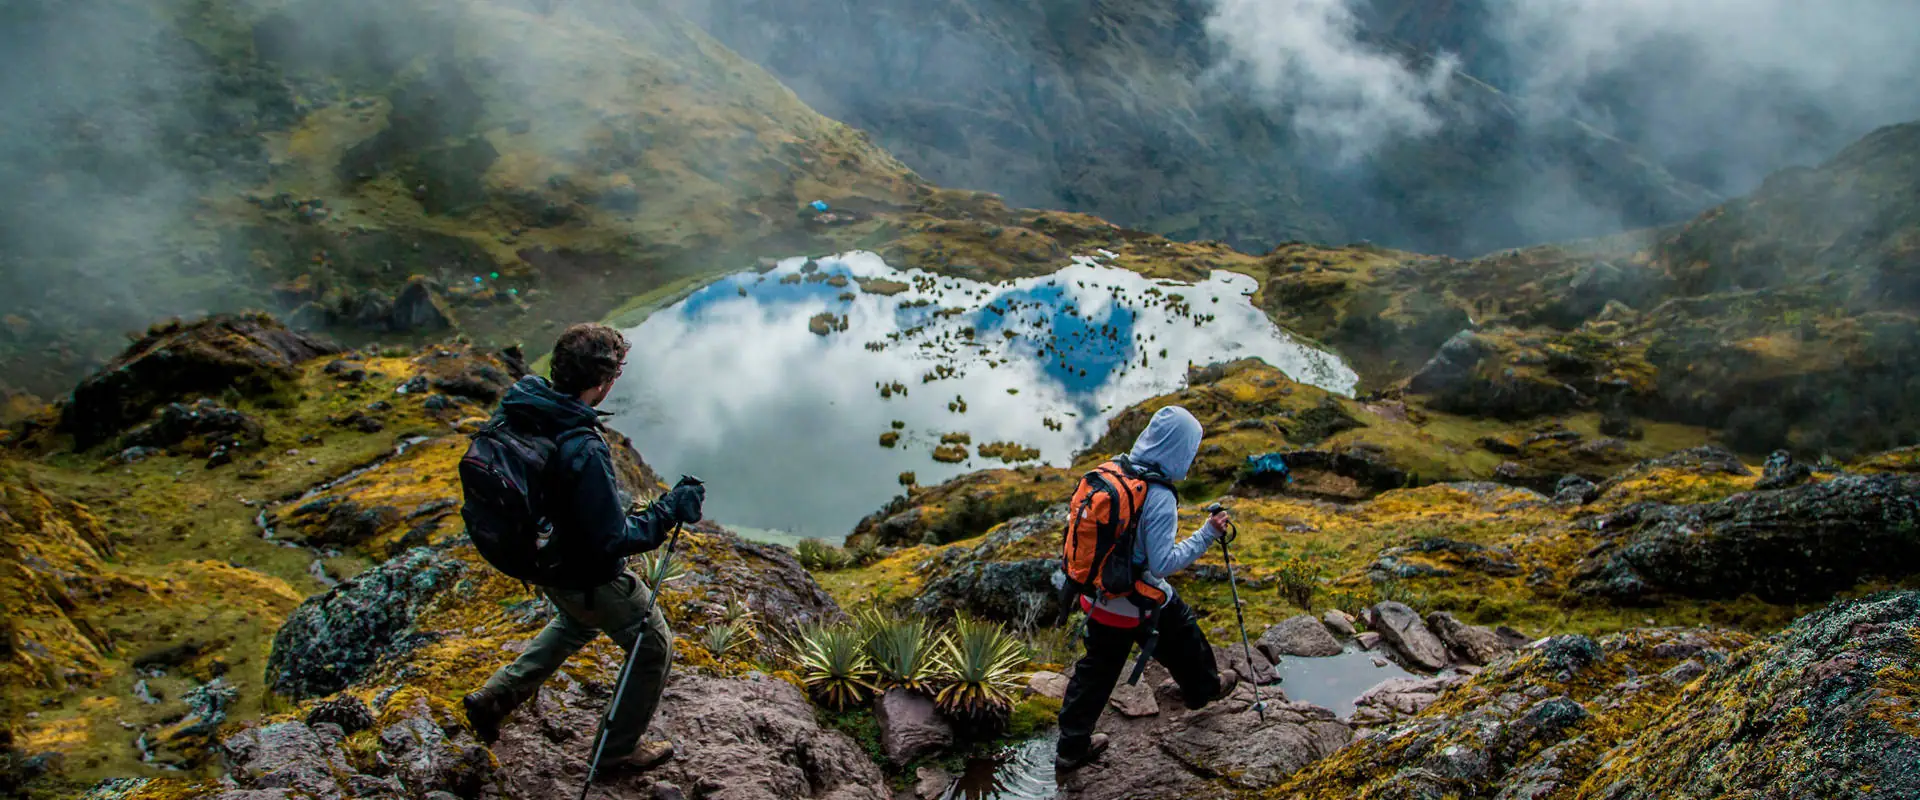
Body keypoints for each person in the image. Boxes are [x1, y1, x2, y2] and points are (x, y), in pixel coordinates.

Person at [461, 323, 705, 772]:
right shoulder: (583, 445)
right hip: (585, 573)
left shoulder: (525, 408)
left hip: (541, 561)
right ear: (603, 382)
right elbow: (614, 538)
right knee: (652, 647)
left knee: (576, 623)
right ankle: (615, 753)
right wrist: (671, 509)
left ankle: (495, 697)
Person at [1055, 405, 1237, 772]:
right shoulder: (1160, 497)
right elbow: (1162, 564)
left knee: (1094, 672)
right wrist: (1208, 534)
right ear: (1178, 448)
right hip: (1137, 601)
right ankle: (1203, 690)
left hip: (1097, 594)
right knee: (1183, 631)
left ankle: (1070, 748)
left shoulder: (1113, 470)